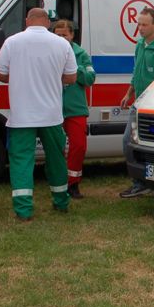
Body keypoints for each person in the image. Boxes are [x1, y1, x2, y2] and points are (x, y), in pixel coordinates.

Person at [0, 8, 78, 221]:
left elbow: (1, 74)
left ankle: (23, 209)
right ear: (48, 23)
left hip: (22, 115)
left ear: (27, 21)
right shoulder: (62, 44)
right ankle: (61, 201)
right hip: (52, 115)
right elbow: (71, 77)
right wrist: (53, 77)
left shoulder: (12, 42)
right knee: (56, 159)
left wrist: (19, 76)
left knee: (21, 161)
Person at [119, 7, 154, 198]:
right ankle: (139, 183)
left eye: (144, 24)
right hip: (139, 105)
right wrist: (129, 93)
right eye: (139, 24)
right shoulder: (140, 45)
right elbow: (136, 72)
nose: (140, 28)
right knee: (128, 141)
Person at [53, 19, 96, 199]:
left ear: (72, 35)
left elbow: (90, 78)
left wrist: (74, 67)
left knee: (78, 146)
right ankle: (58, 183)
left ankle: (73, 183)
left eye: (64, 35)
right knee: (56, 148)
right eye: (57, 35)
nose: (61, 38)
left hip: (75, 108)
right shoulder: (49, 52)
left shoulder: (81, 54)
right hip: (53, 107)